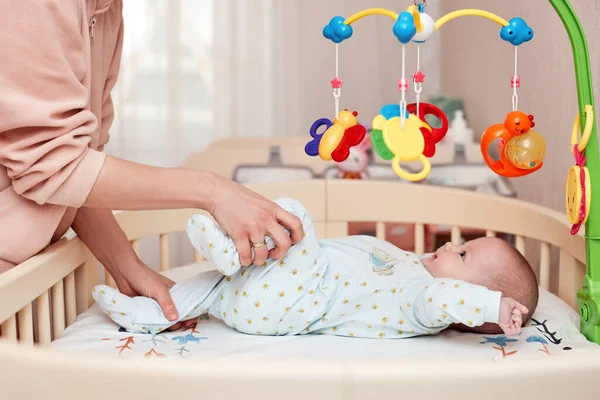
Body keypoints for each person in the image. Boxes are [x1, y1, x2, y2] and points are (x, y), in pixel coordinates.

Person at [0, 0, 303, 331]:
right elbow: (53, 165)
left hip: (23, 282)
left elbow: (78, 169)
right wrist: (213, 192)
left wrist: (127, 265)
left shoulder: (107, 12)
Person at [95, 198, 539, 338]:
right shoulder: (412, 267)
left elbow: (447, 298)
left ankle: (232, 251)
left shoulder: (422, 301)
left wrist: (492, 305)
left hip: (300, 299)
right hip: (271, 297)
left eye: (464, 255)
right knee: (208, 288)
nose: (451, 245)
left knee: (292, 217)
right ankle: (148, 315)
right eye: (462, 243)